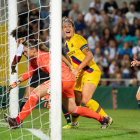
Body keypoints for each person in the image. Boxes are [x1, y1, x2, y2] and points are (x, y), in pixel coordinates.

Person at [4, 39, 110, 129]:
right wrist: (16, 82)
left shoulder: (43, 57)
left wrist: (51, 92)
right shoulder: (34, 59)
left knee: (34, 94)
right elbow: (30, 71)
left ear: (34, 50)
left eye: (26, 51)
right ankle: (103, 119)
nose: (25, 54)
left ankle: (16, 121)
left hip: (61, 79)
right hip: (68, 80)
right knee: (73, 109)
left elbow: (54, 73)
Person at [62, 17, 113, 129]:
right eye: (64, 27)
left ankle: (106, 118)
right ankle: (74, 123)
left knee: (85, 100)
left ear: (73, 28)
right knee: (75, 99)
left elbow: (90, 56)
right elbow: (74, 59)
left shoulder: (78, 39)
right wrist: (71, 67)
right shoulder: (66, 43)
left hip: (90, 71)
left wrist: (77, 69)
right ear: (62, 30)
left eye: (69, 26)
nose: (67, 28)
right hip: (79, 73)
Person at [10, 27, 49, 114]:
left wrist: (12, 68)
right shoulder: (36, 41)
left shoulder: (23, 45)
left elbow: (16, 59)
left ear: (23, 38)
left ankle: (18, 119)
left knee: (26, 96)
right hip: (45, 68)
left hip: (38, 69)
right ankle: (69, 120)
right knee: (59, 96)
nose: (17, 42)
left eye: (17, 40)